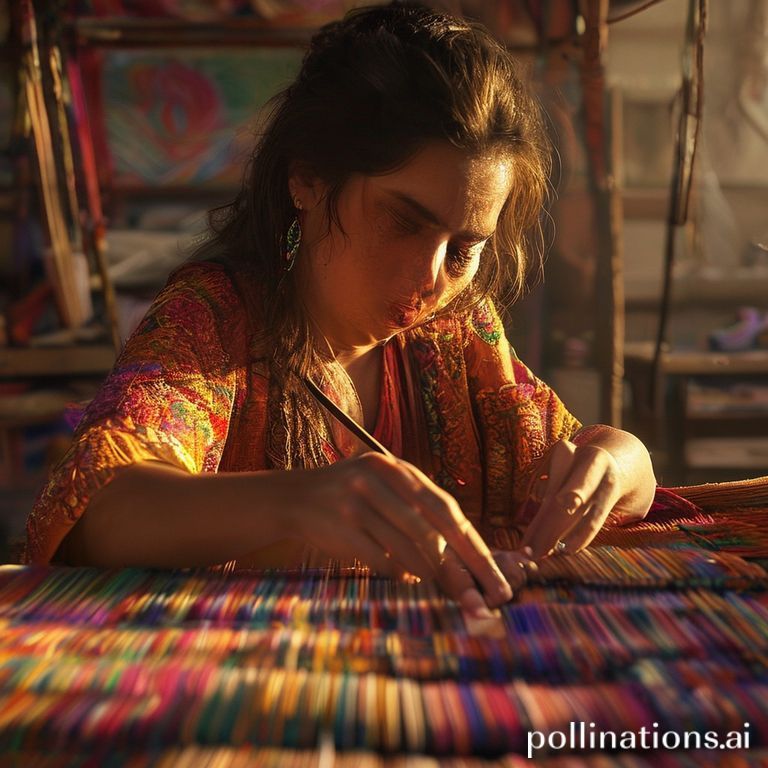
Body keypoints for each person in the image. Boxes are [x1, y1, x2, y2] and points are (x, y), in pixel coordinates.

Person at [25, 1, 655, 617]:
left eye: (464, 249)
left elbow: (622, 471)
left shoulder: (456, 336)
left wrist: (613, 458)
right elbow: (101, 510)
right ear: (308, 179)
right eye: (403, 220)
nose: (430, 278)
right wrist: (301, 501)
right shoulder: (215, 321)